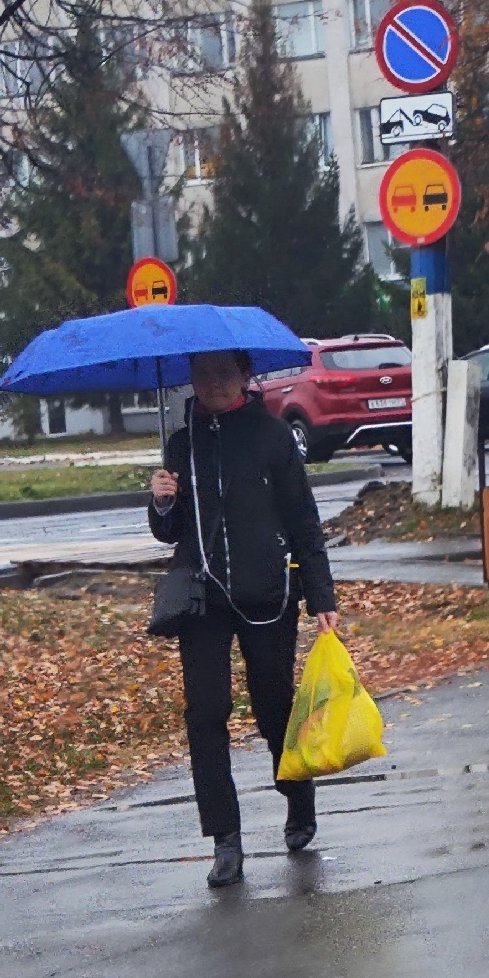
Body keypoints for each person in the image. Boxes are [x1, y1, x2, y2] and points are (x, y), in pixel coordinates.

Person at [148, 348, 339, 889]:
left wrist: (320, 594)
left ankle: (298, 799)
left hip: (266, 594)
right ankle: (225, 840)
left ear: (245, 377)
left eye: (223, 373)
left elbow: (304, 517)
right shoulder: (182, 442)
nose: (212, 383)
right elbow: (169, 532)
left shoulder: (272, 435)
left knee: (275, 709)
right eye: (202, 374)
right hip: (201, 598)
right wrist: (162, 503)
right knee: (205, 714)